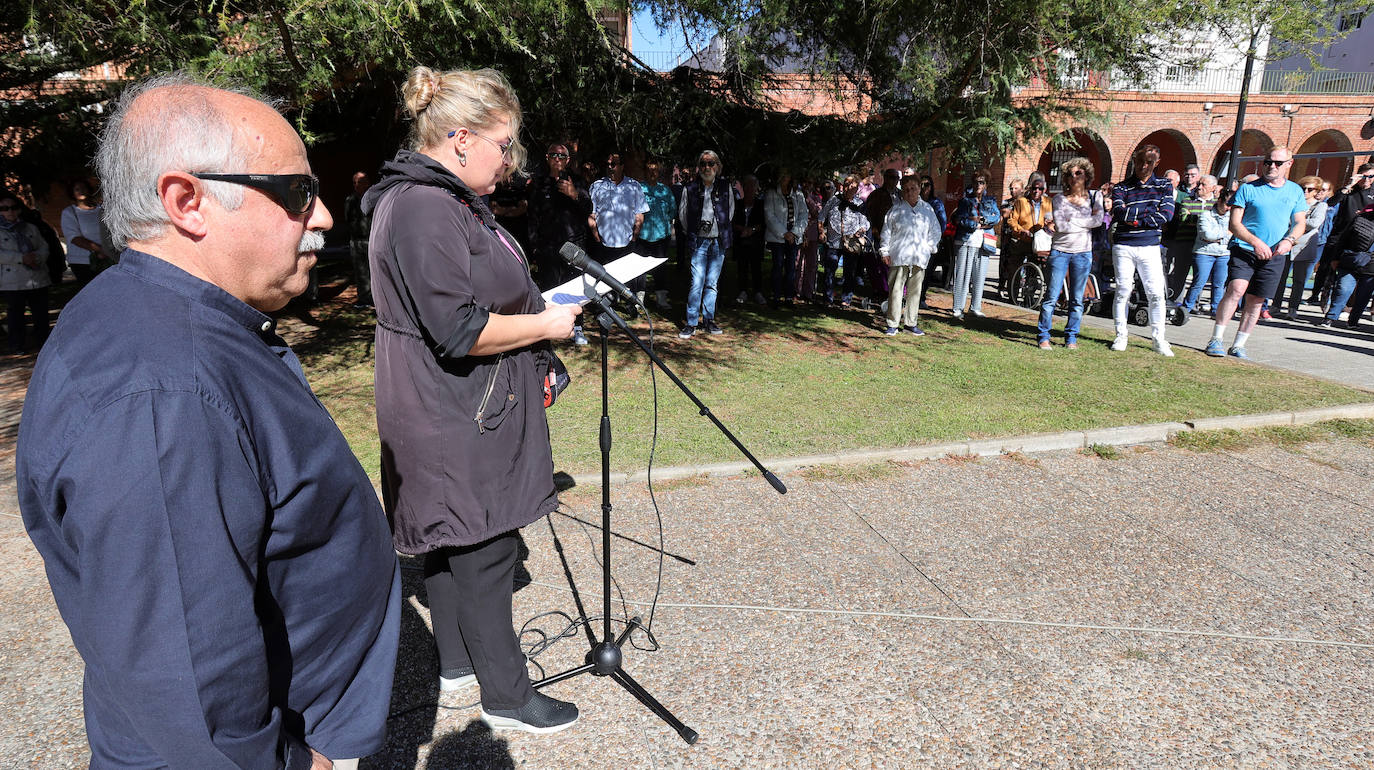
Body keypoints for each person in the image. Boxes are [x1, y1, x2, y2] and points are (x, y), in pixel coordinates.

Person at [17, 73, 400, 769]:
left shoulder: (162, 322)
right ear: (186, 201)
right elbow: (188, 674)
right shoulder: (162, 393)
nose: (322, 218)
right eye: (294, 192)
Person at [363, 66, 581, 735]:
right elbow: (459, 329)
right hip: (451, 407)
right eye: (503, 144)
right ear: (460, 138)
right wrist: (547, 325)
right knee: (485, 549)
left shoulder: (440, 199)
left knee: (454, 540)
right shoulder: (425, 206)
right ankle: (507, 696)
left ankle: (458, 661)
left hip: (454, 402)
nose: (511, 161)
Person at [1204, 146, 1307, 358]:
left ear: (1289, 164)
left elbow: (1299, 223)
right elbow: (1234, 224)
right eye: (1268, 162)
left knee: (1257, 301)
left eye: (1278, 163)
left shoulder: (1295, 191)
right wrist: (1256, 242)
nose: (1272, 166)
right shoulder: (1248, 188)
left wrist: (1289, 240)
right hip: (1245, 249)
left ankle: (1239, 345)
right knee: (1236, 289)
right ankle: (1216, 339)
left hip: (1276, 254)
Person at [1110, 144, 1176, 355]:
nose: (1143, 166)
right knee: (1123, 291)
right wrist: (1147, 215)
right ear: (1134, 161)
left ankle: (1159, 338)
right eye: (1140, 162)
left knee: (1156, 293)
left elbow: (1166, 215)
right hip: (1124, 245)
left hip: (1149, 246)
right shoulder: (1121, 187)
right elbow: (1119, 213)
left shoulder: (1164, 185)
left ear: (1156, 163)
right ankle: (1121, 335)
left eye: (1148, 163)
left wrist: (1136, 219)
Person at [527, 141, 592, 343]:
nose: (557, 159)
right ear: (547, 158)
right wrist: (533, 246)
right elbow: (532, 216)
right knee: (550, 287)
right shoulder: (537, 184)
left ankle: (578, 327)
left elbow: (588, 208)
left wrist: (574, 194)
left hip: (574, 244)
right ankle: (551, 329)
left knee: (575, 287)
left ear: (568, 160)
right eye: (553, 155)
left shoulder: (578, 181)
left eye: (562, 156)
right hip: (548, 246)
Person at [1039, 157, 1104, 349]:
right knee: (1051, 296)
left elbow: (1098, 220)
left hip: (1083, 253)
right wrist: (1084, 222)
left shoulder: (1095, 197)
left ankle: (1071, 338)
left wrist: (1073, 221)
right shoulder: (1059, 199)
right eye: (1070, 174)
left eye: (1078, 173)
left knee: (1077, 298)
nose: (1074, 177)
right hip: (1060, 252)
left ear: (1087, 175)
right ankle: (1043, 336)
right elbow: (1061, 225)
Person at [679, 149, 734, 338]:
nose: (707, 167)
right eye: (703, 163)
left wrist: (719, 230)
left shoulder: (726, 187)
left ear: (717, 167)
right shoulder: (690, 188)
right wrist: (695, 231)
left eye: (711, 163)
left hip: (718, 241)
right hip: (699, 241)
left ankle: (709, 320)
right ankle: (691, 322)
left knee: (712, 283)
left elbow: (730, 212)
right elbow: (683, 215)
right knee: (697, 281)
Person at [878, 175, 940, 336]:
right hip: (899, 256)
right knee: (896, 290)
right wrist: (884, 251)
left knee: (915, 292)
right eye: (906, 189)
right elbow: (886, 233)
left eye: (913, 188)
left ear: (919, 189)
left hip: (919, 257)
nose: (909, 192)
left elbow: (935, 231)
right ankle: (892, 323)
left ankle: (911, 323)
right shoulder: (895, 210)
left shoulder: (927, 210)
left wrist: (928, 248)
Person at [589, 150, 648, 305]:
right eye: (608, 164)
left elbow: (640, 214)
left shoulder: (634, 186)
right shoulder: (596, 186)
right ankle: (608, 305)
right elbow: (592, 215)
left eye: (614, 164)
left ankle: (631, 305)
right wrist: (596, 237)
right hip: (604, 243)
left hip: (627, 241)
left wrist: (634, 237)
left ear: (622, 166)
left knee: (628, 276)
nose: (610, 167)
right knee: (605, 277)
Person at [1269, 175, 1328, 319]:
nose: (1306, 191)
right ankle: (1275, 305)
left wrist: (1296, 221)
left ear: (1316, 191)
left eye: (1310, 189)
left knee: (1299, 280)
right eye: (1303, 188)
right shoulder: (1294, 202)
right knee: (1280, 277)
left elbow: (1315, 223)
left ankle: (1293, 308)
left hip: (1304, 247)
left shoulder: (1320, 206)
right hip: (1286, 243)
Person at [0, 193, 52, 353]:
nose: (10, 211)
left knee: (41, 313)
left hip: (37, 276)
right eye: (4, 208)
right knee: (16, 315)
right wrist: (21, 258)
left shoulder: (30, 227)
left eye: (14, 207)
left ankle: (44, 343)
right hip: (13, 280)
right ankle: (17, 344)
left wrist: (36, 257)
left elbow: (44, 246)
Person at [950, 170, 1000, 319]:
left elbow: (995, 218)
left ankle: (975, 307)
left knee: (980, 276)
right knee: (962, 276)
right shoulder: (965, 201)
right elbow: (959, 220)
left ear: (986, 184)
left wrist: (979, 221)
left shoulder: (990, 201)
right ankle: (958, 308)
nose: (979, 185)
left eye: (982, 182)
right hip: (966, 241)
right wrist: (974, 223)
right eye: (976, 182)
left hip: (984, 242)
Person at [1179, 182, 1231, 317]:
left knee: (1219, 285)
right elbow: (1206, 235)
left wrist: (1218, 236)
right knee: (1199, 282)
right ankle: (1186, 308)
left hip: (1224, 254)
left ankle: (1216, 310)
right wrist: (1225, 234)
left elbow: (1232, 235)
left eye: (1231, 206)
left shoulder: (1231, 217)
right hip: (1204, 253)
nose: (1228, 209)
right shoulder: (1205, 215)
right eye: (1226, 204)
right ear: (1219, 200)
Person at [819, 174, 870, 308]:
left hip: (851, 242)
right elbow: (821, 216)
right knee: (830, 270)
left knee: (850, 272)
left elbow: (865, 222)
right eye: (846, 185)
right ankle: (828, 298)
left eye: (852, 186)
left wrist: (861, 230)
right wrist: (821, 231)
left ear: (857, 189)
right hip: (833, 241)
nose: (848, 189)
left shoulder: (860, 204)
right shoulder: (833, 200)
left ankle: (846, 299)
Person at [763, 169, 808, 306]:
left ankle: (789, 296)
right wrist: (784, 233)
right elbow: (769, 215)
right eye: (782, 174)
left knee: (791, 268)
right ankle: (775, 296)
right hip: (777, 237)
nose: (784, 177)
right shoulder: (771, 193)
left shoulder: (797, 193)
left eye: (787, 175)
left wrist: (794, 232)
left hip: (793, 237)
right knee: (777, 266)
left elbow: (803, 215)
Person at [636, 157, 677, 309]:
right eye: (649, 170)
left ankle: (661, 299)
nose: (652, 172)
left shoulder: (665, 190)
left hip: (661, 236)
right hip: (642, 235)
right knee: (640, 269)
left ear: (658, 172)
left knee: (661, 268)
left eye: (655, 170)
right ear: (645, 172)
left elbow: (673, 210)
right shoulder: (639, 188)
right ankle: (638, 299)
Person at [1003, 172, 1052, 296]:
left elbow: (1052, 220)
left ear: (1044, 190)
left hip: (1038, 241)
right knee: (1015, 267)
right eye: (1034, 188)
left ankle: (1028, 296)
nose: (1036, 191)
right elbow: (1011, 220)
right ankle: (1012, 295)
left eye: (1040, 189)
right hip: (1021, 239)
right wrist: (1020, 230)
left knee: (1034, 271)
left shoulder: (1048, 202)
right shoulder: (1021, 202)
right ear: (1030, 189)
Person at [60, 179, 114, 285]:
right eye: (77, 189)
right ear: (72, 193)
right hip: (83, 263)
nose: (81, 191)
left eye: (83, 188)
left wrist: (109, 251)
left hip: (107, 258)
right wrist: (100, 250)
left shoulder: (102, 209)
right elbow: (74, 238)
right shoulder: (70, 212)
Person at [732, 173, 766, 305]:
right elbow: (733, 221)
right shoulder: (738, 204)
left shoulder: (761, 204)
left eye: (753, 186)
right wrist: (743, 230)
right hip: (741, 240)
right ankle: (743, 291)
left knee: (756, 267)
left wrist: (751, 230)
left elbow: (763, 223)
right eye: (747, 185)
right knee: (742, 266)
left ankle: (758, 292)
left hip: (756, 241)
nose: (750, 188)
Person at [344, 170, 374, 307]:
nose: (357, 185)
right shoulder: (350, 200)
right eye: (354, 182)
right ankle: (364, 299)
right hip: (356, 241)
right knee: (360, 271)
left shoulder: (373, 199)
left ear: (367, 183)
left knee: (375, 270)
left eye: (360, 182)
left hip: (372, 239)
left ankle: (377, 299)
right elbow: (347, 219)